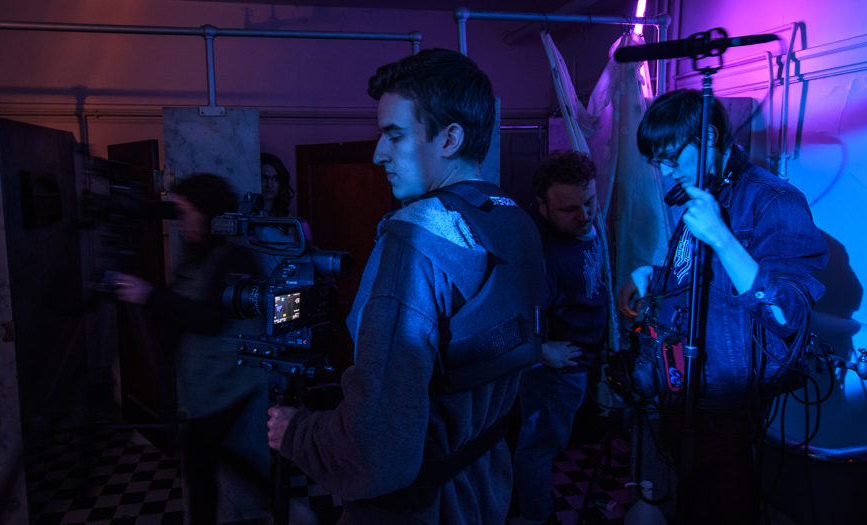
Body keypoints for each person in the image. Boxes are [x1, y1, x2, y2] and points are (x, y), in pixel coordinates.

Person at [266, 48, 545, 524]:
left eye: (394, 135)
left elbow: (379, 448)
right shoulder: (511, 219)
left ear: (450, 138)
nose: (378, 153)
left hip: (420, 505)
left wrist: (296, 432)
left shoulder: (415, 239)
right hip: (484, 488)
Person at [617, 89, 828, 524]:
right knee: (692, 500)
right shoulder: (702, 190)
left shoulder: (772, 201)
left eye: (672, 157)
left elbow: (789, 314)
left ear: (710, 137)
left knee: (726, 506)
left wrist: (722, 236)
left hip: (726, 401)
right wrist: (650, 276)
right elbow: (701, 283)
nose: (665, 170)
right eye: (657, 160)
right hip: (684, 389)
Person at [115, 173, 272, 524]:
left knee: (202, 458)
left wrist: (149, 296)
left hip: (227, 381)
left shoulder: (234, 260)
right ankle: (283, 506)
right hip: (206, 381)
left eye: (185, 212)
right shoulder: (196, 255)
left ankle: (283, 507)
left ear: (208, 214)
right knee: (215, 453)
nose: (180, 221)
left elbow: (211, 317)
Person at [513, 150, 609, 525]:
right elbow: (511, 317)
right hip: (556, 370)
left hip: (581, 359)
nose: (584, 217)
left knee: (553, 441)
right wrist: (541, 352)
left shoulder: (588, 223)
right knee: (539, 447)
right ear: (542, 207)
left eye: (589, 202)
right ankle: (536, 518)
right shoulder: (543, 256)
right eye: (570, 209)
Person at [260, 152, 294, 217]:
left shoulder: (285, 215)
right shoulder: (246, 214)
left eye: (275, 178)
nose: (269, 185)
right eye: (264, 178)